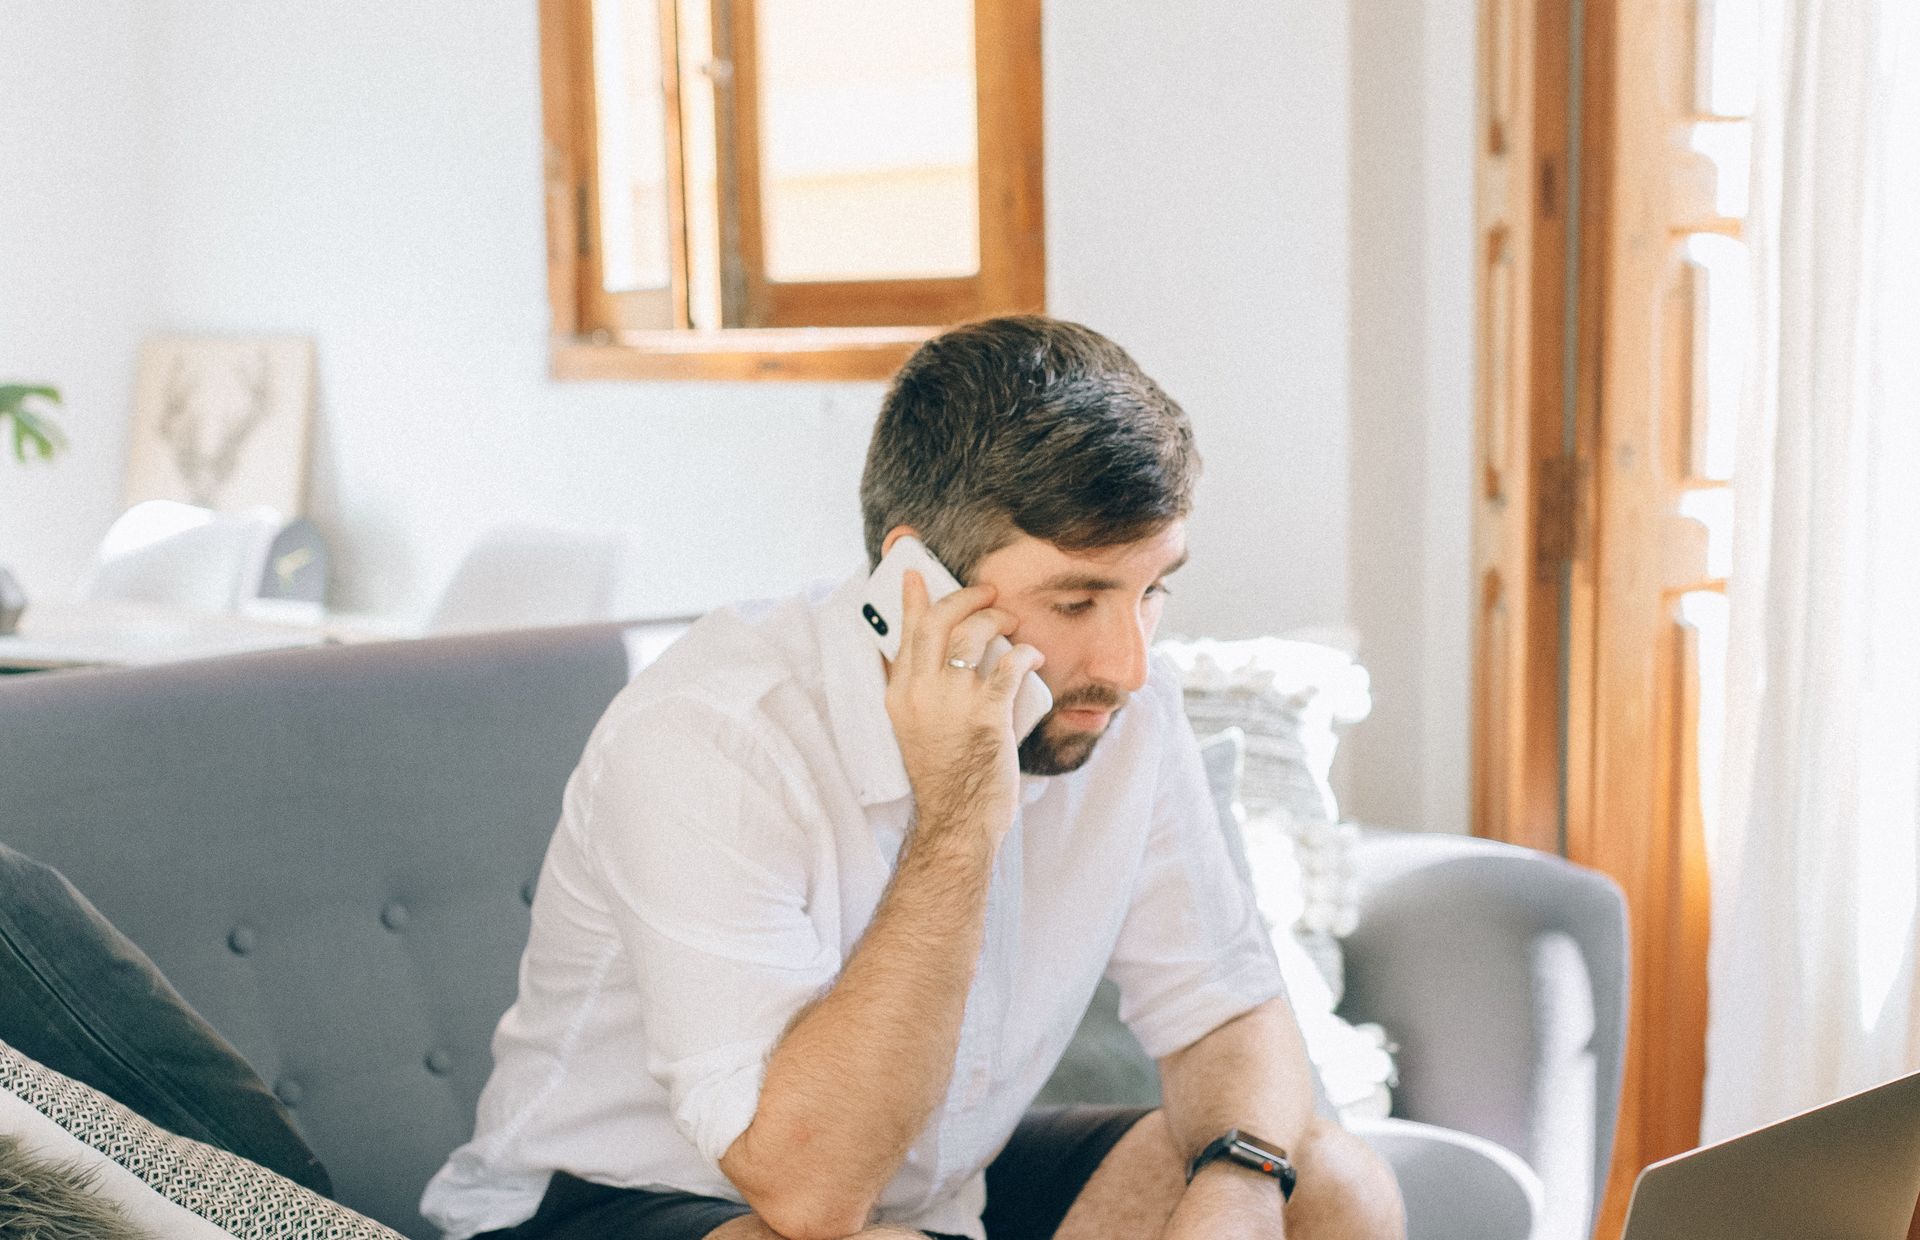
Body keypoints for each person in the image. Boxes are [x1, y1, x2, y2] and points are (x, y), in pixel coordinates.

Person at [421, 317, 1406, 1240]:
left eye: (1153, 591)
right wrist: (964, 813)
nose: (1128, 662)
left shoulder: (1126, 706)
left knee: (1331, 1187)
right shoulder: (711, 737)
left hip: (928, 1190)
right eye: (1076, 598)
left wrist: (1235, 1191)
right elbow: (809, 1189)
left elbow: (1226, 1010)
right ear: (913, 587)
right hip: (620, 1201)